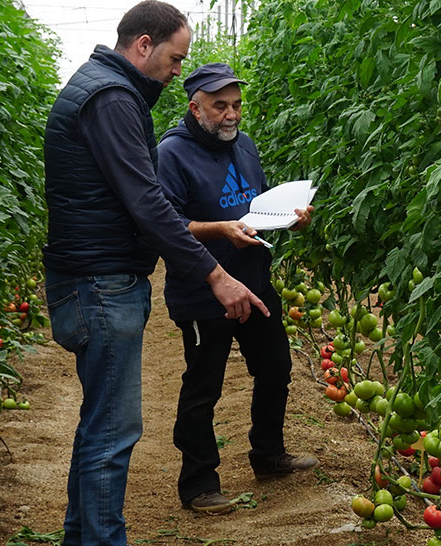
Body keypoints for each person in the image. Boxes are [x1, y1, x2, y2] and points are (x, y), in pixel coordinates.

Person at [42, 4, 270, 545]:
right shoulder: (113, 99)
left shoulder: (100, 89)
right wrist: (214, 275)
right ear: (143, 44)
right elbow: (147, 203)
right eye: (174, 58)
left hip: (92, 278)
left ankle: (84, 538)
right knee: (113, 432)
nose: (176, 71)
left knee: (101, 426)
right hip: (101, 282)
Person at [156, 63, 319, 515]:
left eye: (237, 105)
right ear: (195, 107)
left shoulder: (243, 145)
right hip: (202, 290)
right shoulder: (171, 154)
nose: (231, 115)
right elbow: (165, 224)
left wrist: (291, 216)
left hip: (254, 279)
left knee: (275, 368)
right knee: (203, 385)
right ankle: (199, 483)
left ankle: (268, 454)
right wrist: (221, 230)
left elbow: (258, 203)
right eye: (220, 106)